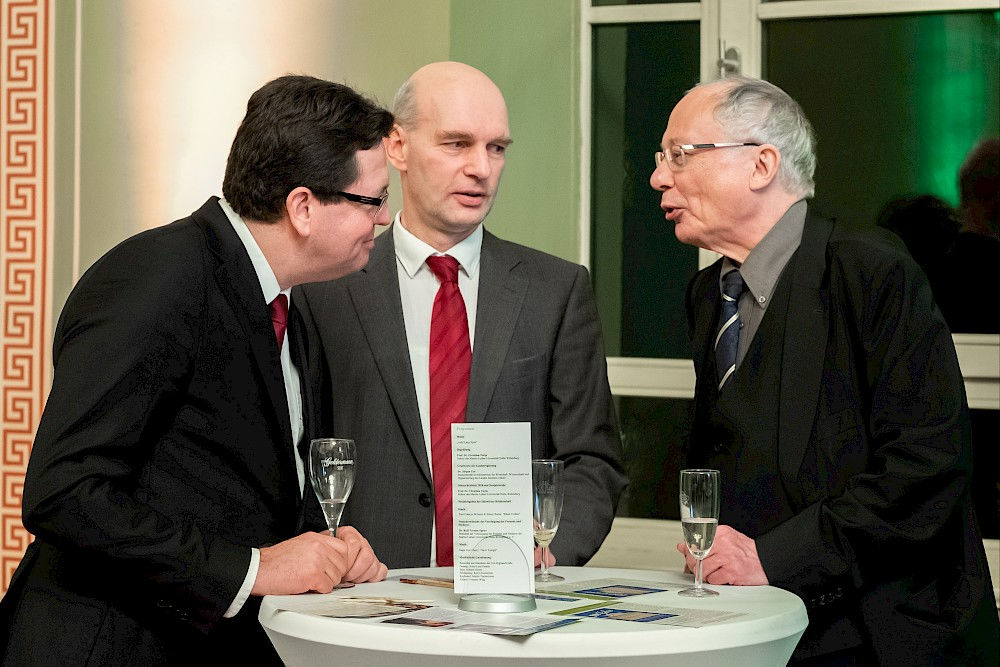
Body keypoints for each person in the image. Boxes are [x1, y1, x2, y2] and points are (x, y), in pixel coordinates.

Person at [0, 75, 395, 666]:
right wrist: (254, 568)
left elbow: (236, 481)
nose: (384, 219)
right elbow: (64, 492)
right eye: (373, 201)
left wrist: (326, 546)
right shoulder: (158, 276)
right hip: (110, 645)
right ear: (303, 207)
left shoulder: (291, 302)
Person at [650, 76, 999, 664]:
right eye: (661, 159)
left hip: (883, 634)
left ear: (761, 165)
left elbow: (926, 465)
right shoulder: (709, 294)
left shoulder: (872, 271)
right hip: (758, 629)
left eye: (680, 154)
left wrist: (773, 558)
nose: (659, 178)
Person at [295, 61, 626, 570]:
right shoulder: (324, 289)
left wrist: (549, 550)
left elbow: (592, 459)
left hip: (508, 595)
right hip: (365, 594)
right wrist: (325, 549)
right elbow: (298, 452)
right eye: (457, 144)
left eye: (497, 148)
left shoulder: (556, 291)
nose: (481, 169)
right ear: (397, 146)